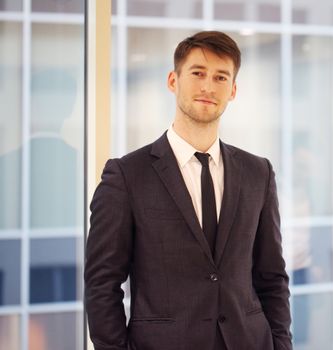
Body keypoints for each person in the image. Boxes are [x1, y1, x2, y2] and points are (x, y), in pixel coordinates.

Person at [84, 31, 292, 350]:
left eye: (220, 77)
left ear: (233, 90)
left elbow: (272, 277)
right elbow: (102, 285)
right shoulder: (126, 176)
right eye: (197, 73)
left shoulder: (258, 173)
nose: (208, 86)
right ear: (173, 80)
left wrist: (281, 344)